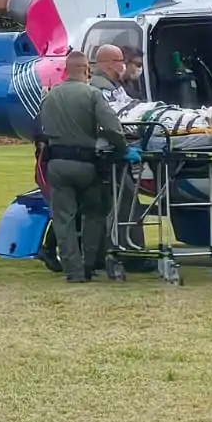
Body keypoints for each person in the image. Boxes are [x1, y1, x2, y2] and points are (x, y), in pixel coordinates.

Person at [39, 50, 135, 282]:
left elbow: (42, 129)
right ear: (86, 70)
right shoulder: (92, 94)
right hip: (87, 164)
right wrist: (123, 149)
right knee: (94, 215)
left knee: (64, 219)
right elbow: (112, 127)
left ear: (66, 70)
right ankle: (89, 264)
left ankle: (73, 271)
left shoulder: (50, 96)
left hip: (57, 164)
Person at [90, 44, 134, 111]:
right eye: (121, 60)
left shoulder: (114, 83)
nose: (123, 64)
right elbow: (114, 113)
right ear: (110, 64)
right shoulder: (101, 88)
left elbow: (127, 101)